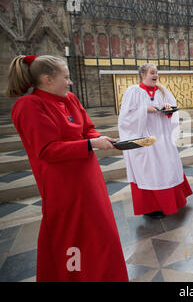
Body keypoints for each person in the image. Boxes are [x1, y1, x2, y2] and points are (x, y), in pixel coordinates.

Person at [7, 55, 128, 282]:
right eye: (66, 77)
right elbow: (47, 150)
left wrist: (101, 138)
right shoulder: (29, 106)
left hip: (88, 178)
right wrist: (91, 144)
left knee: (102, 232)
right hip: (63, 185)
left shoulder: (70, 98)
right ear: (47, 79)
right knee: (75, 238)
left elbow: (87, 129)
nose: (70, 82)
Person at [118, 63, 192, 219]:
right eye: (152, 72)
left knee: (167, 167)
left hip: (162, 137)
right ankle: (151, 208)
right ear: (143, 75)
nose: (156, 75)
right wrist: (144, 109)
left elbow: (173, 109)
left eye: (156, 72)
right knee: (149, 171)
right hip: (144, 139)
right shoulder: (133, 92)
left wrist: (167, 110)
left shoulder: (162, 91)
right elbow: (125, 117)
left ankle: (172, 202)